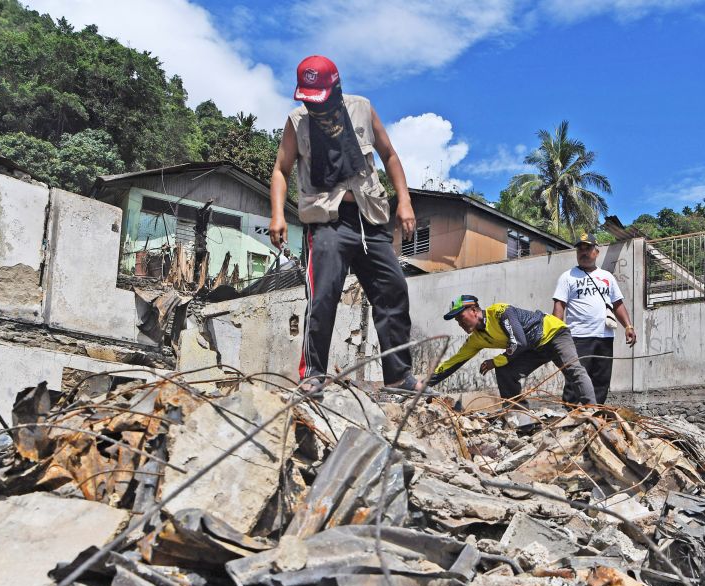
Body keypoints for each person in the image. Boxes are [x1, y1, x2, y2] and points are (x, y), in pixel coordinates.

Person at [268, 55, 422, 390]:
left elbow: (389, 155)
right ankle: (313, 375)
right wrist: (278, 214)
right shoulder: (298, 122)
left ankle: (398, 377)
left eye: (320, 98)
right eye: (308, 100)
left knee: (393, 291)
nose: (315, 107)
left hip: (370, 219)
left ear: (336, 88)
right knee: (322, 296)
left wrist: (405, 202)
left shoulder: (362, 109)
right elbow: (280, 170)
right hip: (327, 222)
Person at [429, 295, 596, 406]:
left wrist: (494, 361)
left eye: (461, 317)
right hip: (533, 348)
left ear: (474, 310)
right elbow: (454, 362)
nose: (460, 323)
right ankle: (521, 420)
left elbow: (519, 342)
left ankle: (592, 410)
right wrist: (424, 384)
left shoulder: (500, 312)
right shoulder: (476, 339)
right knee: (506, 372)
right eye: (457, 320)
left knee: (572, 368)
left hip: (553, 333)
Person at [552, 233, 636, 404]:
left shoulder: (607, 277)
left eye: (588, 248)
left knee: (601, 379)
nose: (583, 252)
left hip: (605, 337)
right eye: (580, 249)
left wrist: (628, 326)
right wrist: (556, 334)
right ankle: (571, 414)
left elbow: (617, 303)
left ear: (596, 252)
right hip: (578, 337)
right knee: (576, 377)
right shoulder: (567, 277)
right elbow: (559, 306)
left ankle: (596, 415)